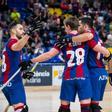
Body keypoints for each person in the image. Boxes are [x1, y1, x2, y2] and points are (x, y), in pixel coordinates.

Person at [19, 16, 95, 112]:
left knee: (64, 109)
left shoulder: (62, 40)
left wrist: (30, 61)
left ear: (68, 26)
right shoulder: (86, 37)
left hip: (68, 77)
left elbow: (49, 55)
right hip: (84, 76)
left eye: (64, 26)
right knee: (86, 108)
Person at [0, 22, 30, 112]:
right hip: (12, 81)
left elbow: (12, 64)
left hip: (9, 80)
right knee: (21, 109)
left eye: (23, 29)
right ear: (13, 31)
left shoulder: (8, 44)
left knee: (23, 108)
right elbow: (17, 47)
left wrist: (23, 73)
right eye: (20, 29)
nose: (23, 31)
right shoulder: (13, 42)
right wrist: (28, 34)